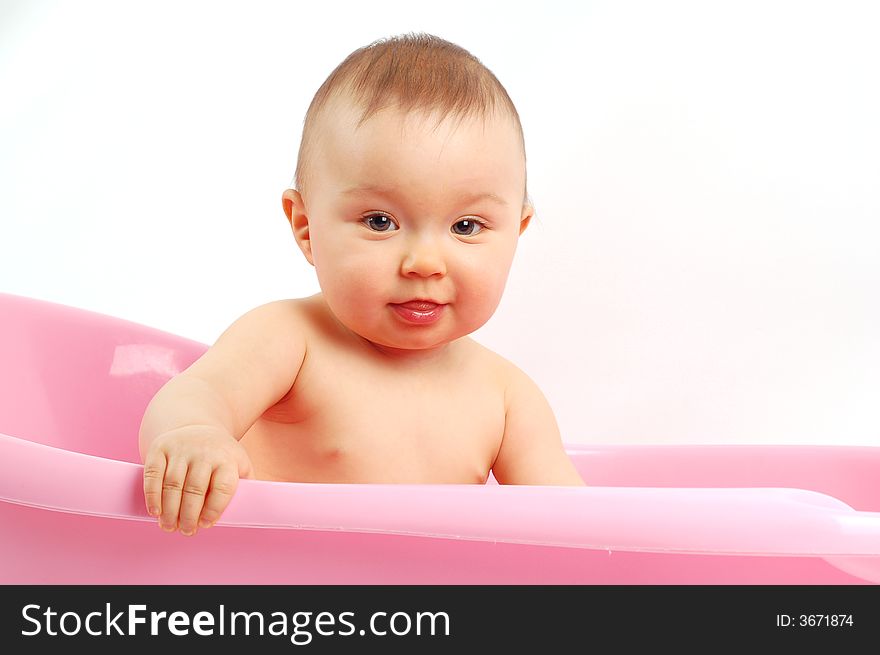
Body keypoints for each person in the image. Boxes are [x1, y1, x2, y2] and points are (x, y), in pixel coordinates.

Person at [139, 32, 585, 537]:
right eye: (379, 222)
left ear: (516, 233)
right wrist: (195, 434)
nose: (424, 263)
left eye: (466, 227)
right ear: (306, 227)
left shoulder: (507, 397)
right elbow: (196, 393)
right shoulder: (290, 340)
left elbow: (577, 529)